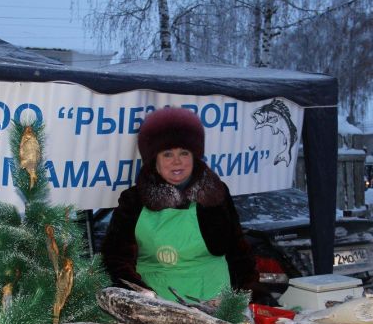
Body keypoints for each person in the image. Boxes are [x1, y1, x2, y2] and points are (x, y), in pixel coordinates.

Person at [101, 106, 272, 304]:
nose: (177, 162)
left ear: (194, 156)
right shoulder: (134, 200)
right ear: (153, 159)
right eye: (167, 154)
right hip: (158, 305)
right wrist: (142, 296)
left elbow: (238, 252)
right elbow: (115, 258)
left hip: (217, 300)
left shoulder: (216, 193)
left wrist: (249, 292)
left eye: (184, 153)